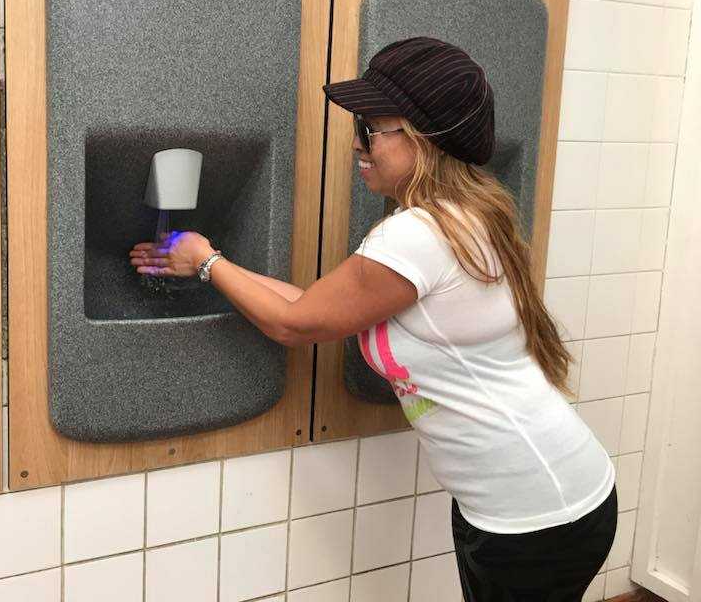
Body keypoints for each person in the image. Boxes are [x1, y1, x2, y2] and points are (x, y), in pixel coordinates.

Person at [130, 36, 617, 601]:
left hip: (536, 515)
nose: (358, 143)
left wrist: (207, 262)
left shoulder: (418, 234)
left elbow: (294, 325)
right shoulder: (461, 217)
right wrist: (209, 261)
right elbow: (312, 307)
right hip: (534, 502)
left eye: (372, 127)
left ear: (424, 139)